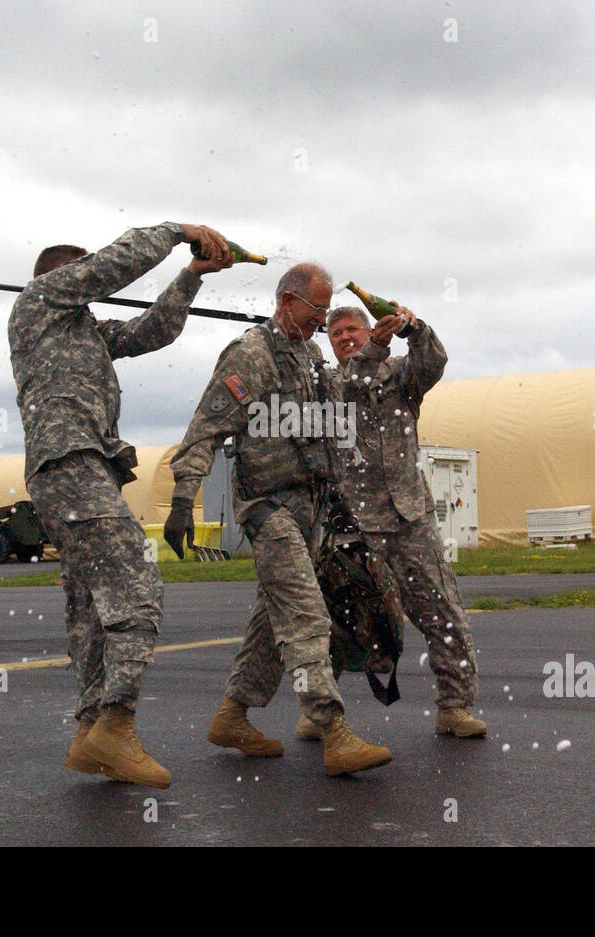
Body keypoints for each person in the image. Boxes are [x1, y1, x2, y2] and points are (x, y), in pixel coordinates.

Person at [8, 221, 232, 789]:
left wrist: (191, 276)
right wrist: (179, 231)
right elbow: (113, 265)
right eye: (82, 276)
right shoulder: (37, 305)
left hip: (81, 468)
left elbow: (151, 331)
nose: (93, 285)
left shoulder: (83, 331)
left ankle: (92, 731)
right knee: (138, 587)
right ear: (61, 278)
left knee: (91, 605)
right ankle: (118, 719)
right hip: (70, 461)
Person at [164, 263, 393, 776]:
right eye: (317, 309)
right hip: (267, 510)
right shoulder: (252, 354)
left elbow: (341, 402)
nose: (323, 319)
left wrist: (376, 349)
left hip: (309, 509)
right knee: (307, 614)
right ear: (288, 300)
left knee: (272, 622)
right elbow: (207, 424)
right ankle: (333, 729)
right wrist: (184, 497)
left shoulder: (310, 356)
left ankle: (232, 716)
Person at [295, 303, 486, 740]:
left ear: (368, 330)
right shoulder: (327, 383)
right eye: (336, 333)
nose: (346, 338)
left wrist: (414, 328)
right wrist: (376, 345)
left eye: (354, 330)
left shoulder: (400, 374)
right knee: (339, 619)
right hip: (352, 523)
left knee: (443, 611)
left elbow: (434, 362)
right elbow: (353, 386)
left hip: (409, 517)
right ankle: (319, 714)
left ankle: (454, 706)